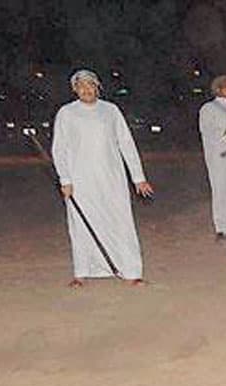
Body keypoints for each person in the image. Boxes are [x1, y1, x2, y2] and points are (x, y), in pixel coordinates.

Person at [51, 69, 154, 288]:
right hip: (80, 180)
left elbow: (126, 143)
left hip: (111, 178)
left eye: (90, 85)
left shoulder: (110, 111)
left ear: (98, 87)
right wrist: (65, 179)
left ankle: (131, 271)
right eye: (81, 86)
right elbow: (59, 149)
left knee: (121, 221)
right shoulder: (67, 113)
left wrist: (138, 177)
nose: (86, 90)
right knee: (81, 224)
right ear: (75, 89)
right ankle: (81, 272)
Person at [198, 75, 226, 239]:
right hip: (218, 155)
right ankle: (222, 227)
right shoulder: (209, 108)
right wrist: (225, 132)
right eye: (225, 86)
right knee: (220, 189)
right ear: (218, 89)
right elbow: (206, 130)